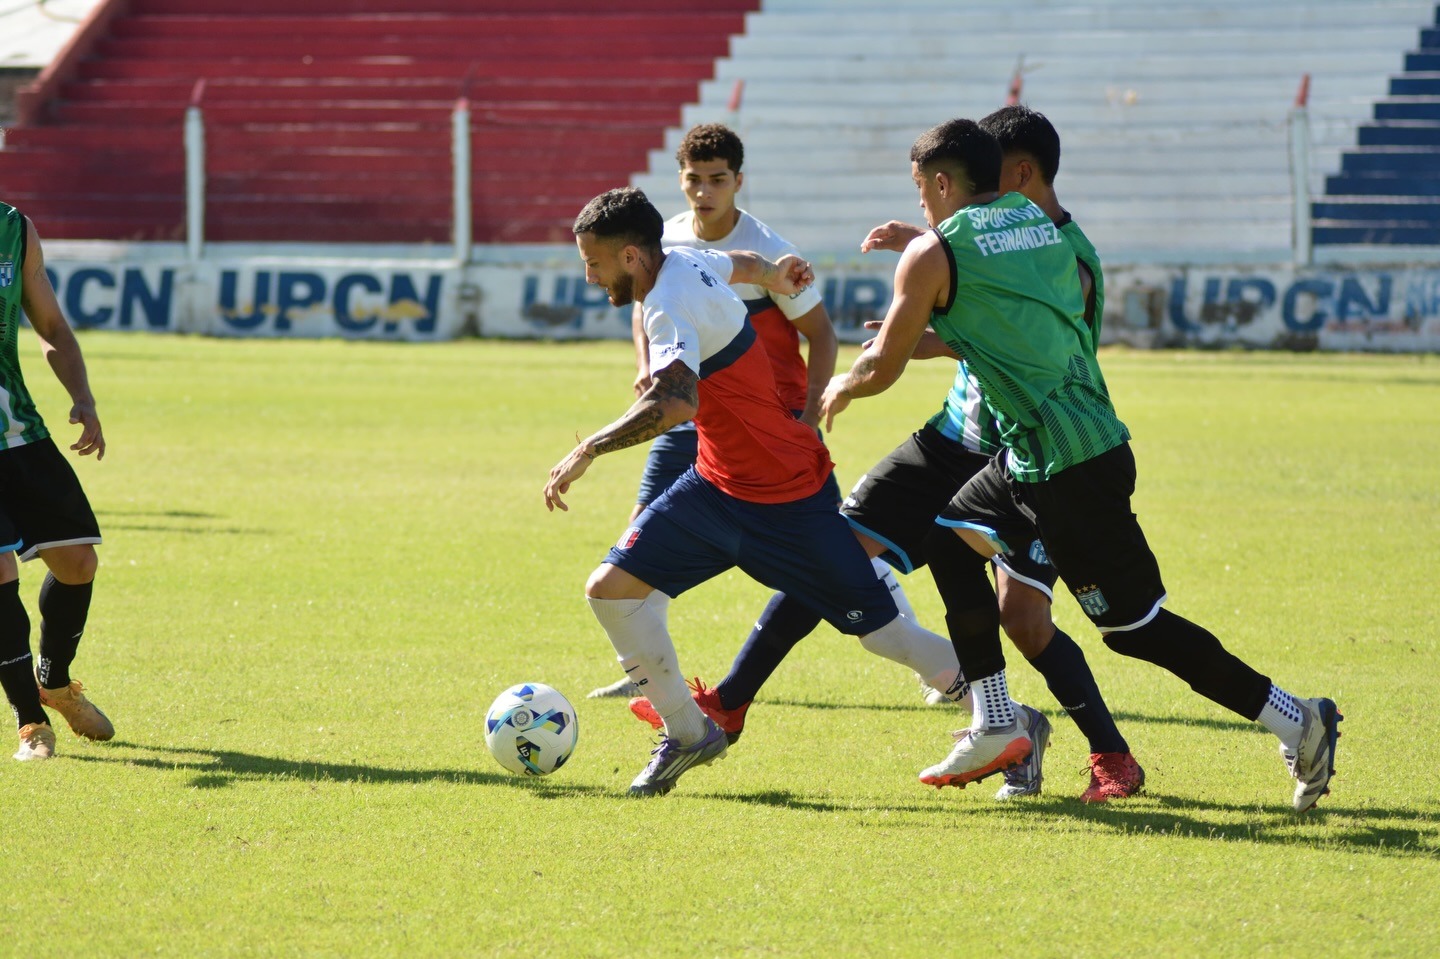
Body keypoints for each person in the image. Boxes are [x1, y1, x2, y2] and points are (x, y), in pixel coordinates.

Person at [818, 119, 1341, 811]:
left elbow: (886, 365)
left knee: (1135, 628)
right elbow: (1009, 320)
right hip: (1039, 451)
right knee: (947, 536)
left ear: (943, 183)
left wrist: (845, 383)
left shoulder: (936, 253)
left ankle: (1298, 718)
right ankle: (996, 716)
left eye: (921, 190)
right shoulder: (1046, 232)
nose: (919, 204)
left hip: (1071, 463)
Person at [627, 106, 1141, 802]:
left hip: (1029, 453)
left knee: (1025, 619)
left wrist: (879, 351)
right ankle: (732, 701)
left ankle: (1100, 749)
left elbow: (1021, 339)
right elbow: (972, 309)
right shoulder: (987, 238)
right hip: (952, 436)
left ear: (1015, 176)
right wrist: (929, 252)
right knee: (832, 549)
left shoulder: (1062, 256)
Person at [547, 187, 977, 797]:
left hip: (786, 495)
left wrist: (588, 448)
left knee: (883, 634)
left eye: (594, 262)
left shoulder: (667, 301)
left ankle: (1004, 717)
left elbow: (675, 401)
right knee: (610, 591)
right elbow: (741, 265)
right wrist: (775, 273)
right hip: (717, 487)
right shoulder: (684, 259)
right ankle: (690, 734)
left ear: (633, 258)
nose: (588, 276)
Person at [587, 122, 922, 701]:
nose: (704, 192)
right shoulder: (660, 241)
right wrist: (645, 364)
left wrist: (810, 410)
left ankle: (919, 650)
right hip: (694, 415)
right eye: (693, 179)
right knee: (644, 532)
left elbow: (819, 332)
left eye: (717, 180)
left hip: (769, 420)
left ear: (738, 181)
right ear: (681, 180)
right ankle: (645, 668)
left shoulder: (769, 247)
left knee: (835, 552)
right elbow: (645, 311)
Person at [0, 201, 114, 761]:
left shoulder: (15, 231)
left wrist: (83, 398)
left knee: (77, 563)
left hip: (16, 429)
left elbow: (50, 326)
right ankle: (30, 722)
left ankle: (54, 679)